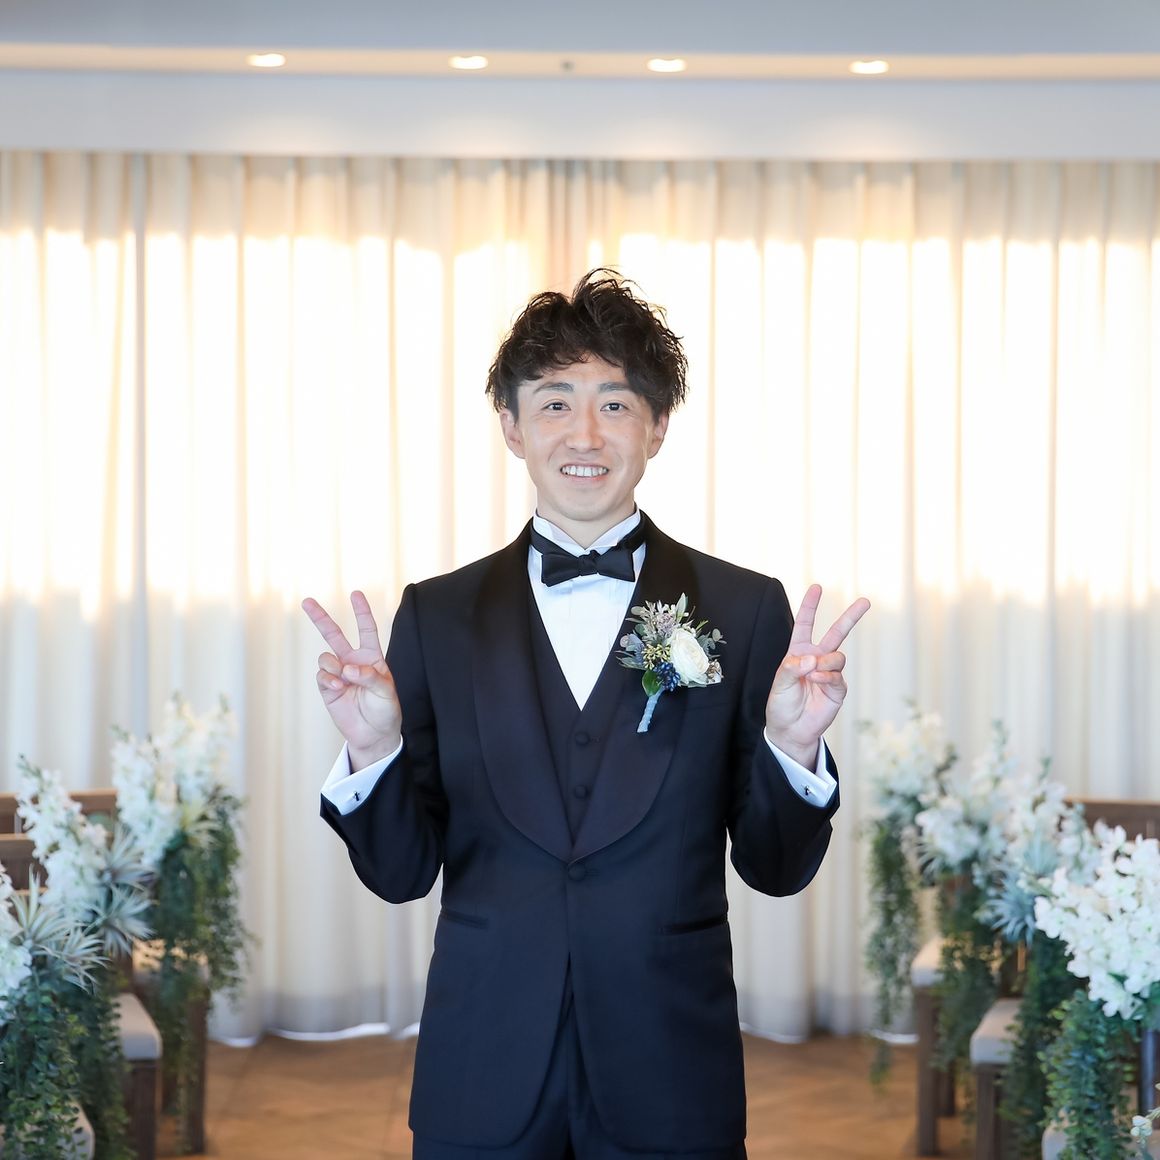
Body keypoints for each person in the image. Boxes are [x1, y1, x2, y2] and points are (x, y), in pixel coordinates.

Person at [305, 269, 869, 1160]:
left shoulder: (744, 608)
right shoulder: (437, 615)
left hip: (671, 1068)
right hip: (482, 1065)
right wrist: (373, 750)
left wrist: (793, 747)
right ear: (511, 426)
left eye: (615, 404)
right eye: (555, 403)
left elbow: (773, 867)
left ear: (657, 426)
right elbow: (402, 874)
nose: (585, 434)